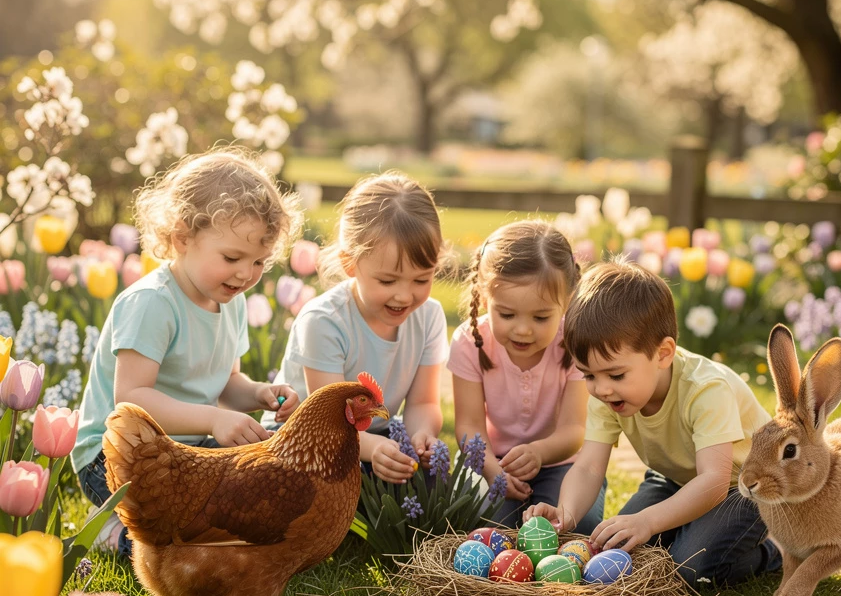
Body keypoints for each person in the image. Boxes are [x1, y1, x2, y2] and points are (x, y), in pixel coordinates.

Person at [73, 147, 303, 553]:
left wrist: (259, 394)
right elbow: (132, 399)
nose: (245, 274)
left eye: (259, 263)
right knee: (188, 542)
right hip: (118, 456)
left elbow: (227, 382)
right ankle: (113, 533)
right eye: (232, 257)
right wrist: (213, 420)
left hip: (187, 450)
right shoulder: (153, 303)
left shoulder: (229, 300)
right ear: (182, 238)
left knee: (257, 492)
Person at [526, 261, 781, 586]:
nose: (601, 388)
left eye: (616, 374)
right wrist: (565, 514)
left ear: (663, 354)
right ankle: (693, 529)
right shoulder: (607, 393)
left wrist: (648, 521)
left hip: (745, 489)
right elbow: (589, 467)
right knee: (619, 548)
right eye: (588, 375)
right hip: (674, 479)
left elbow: (714, 481)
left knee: (689, 568)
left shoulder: (706, 390)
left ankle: (772, 553)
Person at [266, 171, 447, 481]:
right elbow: (329, 423)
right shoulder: (324, 322)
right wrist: (374, 448)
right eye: (387, 281)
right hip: (303, 440)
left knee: (427, 481)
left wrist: (421, 436)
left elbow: (423, 402)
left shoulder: (428, 316)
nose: (404, 296)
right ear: (350, 263)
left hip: (374, 438)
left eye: (421, 280)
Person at [450, 220, 604, 532]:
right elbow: (469, 425)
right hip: (492, 460)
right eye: (507, 314)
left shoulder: (576, 342)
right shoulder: (470, 341)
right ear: (484, 297)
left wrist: (539, 453)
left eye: (541, 317)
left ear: (567, 301)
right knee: (483, 525)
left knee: (573, 524)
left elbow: (574, 429)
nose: (523, 329)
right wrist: (493, 471)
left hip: (560, 462)